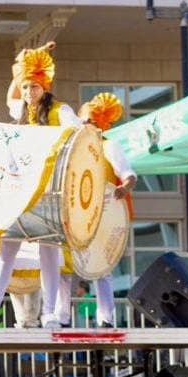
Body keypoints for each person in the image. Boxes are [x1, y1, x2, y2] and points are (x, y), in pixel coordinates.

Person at [0, 43, 80, 329]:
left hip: (50, 190)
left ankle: (51, 314)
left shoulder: (60, 111)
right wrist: (23, 61)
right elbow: (10, 94)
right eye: (26, 86)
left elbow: (78, 136)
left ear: (45, 87)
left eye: (34, 87)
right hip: (20, 190)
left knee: (48, 250)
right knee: (7, 248)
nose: (29, 92)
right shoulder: (21, 110)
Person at [72, 92, 136, 328]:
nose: (86, 125)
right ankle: (58, 317)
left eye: (90, 120)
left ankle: (106, 318)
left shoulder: (109, 146)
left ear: (100, 123)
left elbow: (127, 174)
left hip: (104, 212)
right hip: (79, 212)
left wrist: (125, 187)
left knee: (101, 266)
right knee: (65, 263)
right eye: (83, 120)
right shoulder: (75, 150)